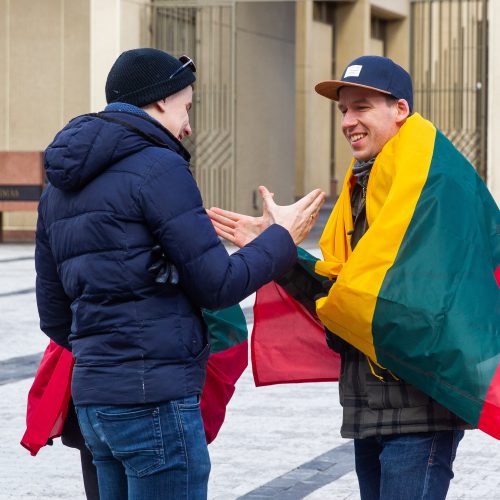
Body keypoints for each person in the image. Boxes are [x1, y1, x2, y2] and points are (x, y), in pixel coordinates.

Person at [35, 47, 325, 500]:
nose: (188, 125)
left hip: (94, 406)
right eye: (185, 107)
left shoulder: (58, 185)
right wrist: (280, 238)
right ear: (158, 101)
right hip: (155, 403)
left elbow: (54, 317)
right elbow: (217, 285)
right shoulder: (160, 167)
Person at [208, 55, 478, 500]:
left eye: (362, 106)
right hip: (368, 405)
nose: (348, 121)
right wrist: (277, 247)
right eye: (343, 110)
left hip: (419, 409)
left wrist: (291, 259)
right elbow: (344, 297)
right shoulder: (366, 188)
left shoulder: (432, 191)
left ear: (400, 109)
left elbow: (406, 308)